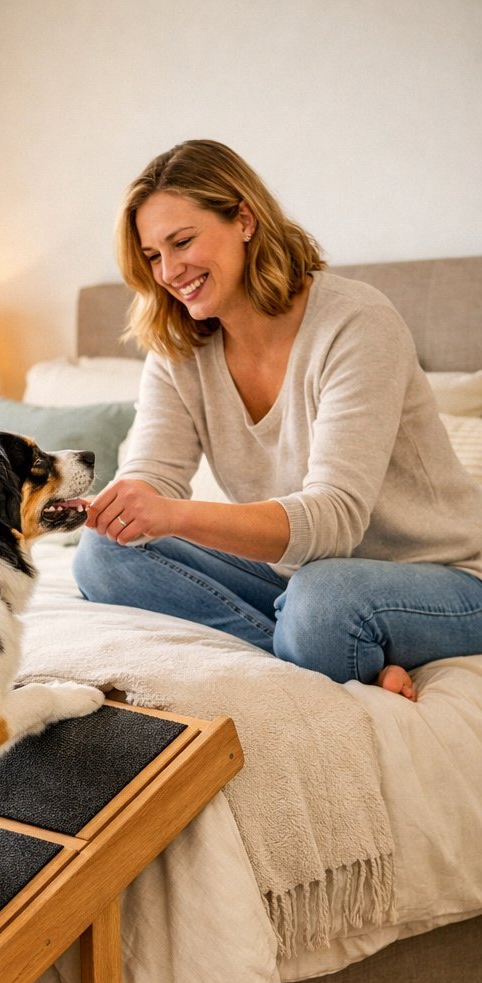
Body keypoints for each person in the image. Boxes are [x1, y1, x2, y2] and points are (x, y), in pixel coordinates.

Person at [73, 140, 482, 702]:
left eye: (182, 242)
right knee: (105, 554)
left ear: (244, 218)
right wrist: (130, 506)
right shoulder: (177, 346)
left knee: (324, 603)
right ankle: (334, 656)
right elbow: (153, 475)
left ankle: (325, 640)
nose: (169, 272)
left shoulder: (355, 323)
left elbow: (335, 519)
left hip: (443, 576)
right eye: (152, 256)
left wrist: (174, 515)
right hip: (300, 576)